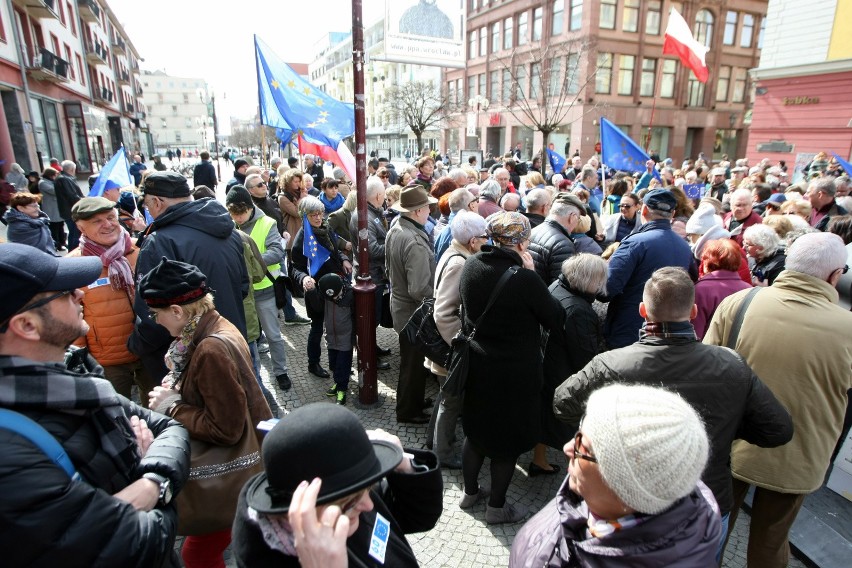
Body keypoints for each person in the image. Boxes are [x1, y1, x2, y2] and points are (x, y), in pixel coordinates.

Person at [556, 266, 793, 559]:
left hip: (626, 499)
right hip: (705, 501)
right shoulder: (731, 365)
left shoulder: (611, 364)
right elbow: (778, 430)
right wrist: (724, 428)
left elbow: (563, 402)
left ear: (643, 310)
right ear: (693, 312)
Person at [0, 244, 190, 567]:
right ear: (27, 325)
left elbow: (170, 427)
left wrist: (151, 480)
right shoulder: (10, 454)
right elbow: (142, 542)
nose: (79, 294)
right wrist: (154, 482)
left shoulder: (76, 374)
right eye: (63, 293)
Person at [704, 232, 852, 567]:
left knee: (713, 529)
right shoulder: (849, 327)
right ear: (834, 276)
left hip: (732, 444)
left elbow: (707, 370)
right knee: (770, 542)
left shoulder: (740, 302)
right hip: (800, 454)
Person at [141, 259, 271, 568]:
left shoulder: (209, 349)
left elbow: (225, 427)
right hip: (248, 470)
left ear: (177, 311)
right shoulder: (212, 326)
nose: (156, 322)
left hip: (233, 477)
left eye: (156, 313)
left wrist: (171, 406)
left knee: (196, 555)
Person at [510, 385, 720, 567]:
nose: (567, 447)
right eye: (580, 428)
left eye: (582, 445)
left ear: (624, 488)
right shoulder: (664, 491)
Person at [232, 403, 443, 567]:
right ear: (300, 509)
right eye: (350, 502)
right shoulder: (270, 560)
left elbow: (418, 516)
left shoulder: (348, 492)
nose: (369, 505)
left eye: (368, 489)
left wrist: (404, 467)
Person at [458, 211, 563, 524]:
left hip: (478, 364)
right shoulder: (525, 279)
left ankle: (469, 492)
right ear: (521, 242)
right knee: (506, 443)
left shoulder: (472, 264)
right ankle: (496, 507)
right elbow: (556, 319)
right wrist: (531, 273)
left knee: (475, 432)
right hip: (514, 373)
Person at [130, 171, 250, 381]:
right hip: (231, 340)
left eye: (146, 205)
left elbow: (153, 316)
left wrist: (136, 345)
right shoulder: (229, 230)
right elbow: (243, 287)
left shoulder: (159, 241)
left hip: (193, 358)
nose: (147, 210)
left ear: (157, 202)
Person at [66, 197, 156, 398]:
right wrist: (81, 357)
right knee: (117, 415)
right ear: (81, 227)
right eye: (97, 221)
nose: (107, 225)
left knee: (157, 410)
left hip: (149, 350)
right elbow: (70, 318)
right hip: (108, 362)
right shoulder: (74, 266)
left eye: (110, 217)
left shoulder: (140, 250)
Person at [430, 211, 489, 468]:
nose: (488, 241)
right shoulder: (460, 263)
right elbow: (443, 313)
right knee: (451, 402)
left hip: (449, 347)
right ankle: (442, 453)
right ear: (473, 241)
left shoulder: (457, 253)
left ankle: (433, 442)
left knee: (446, 398)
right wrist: (460, 344)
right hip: (451, 348)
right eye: (485, 237)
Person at [538, 253, 606, 471]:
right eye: (599, 280)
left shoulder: (556, 287)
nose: (601, 286)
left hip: (546, 365)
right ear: (589, 281)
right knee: (568, 426)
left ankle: (539, 460)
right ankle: (579, 475)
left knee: (544, 419)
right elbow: (584, 355)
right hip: (563, 374)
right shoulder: (579, 311)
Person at [603, 189, 695, 349]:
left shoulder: (635, 243)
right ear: (672, 214)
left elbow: (607, 290)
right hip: (671, 334)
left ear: (643, 209)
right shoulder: (685, 247)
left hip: (631, 333)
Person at [225, 185, 292, 391]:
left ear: (250, 207)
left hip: (264, 290)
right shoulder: (227, 225)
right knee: (247, 338)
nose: (237, 218)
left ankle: (280, 371)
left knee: (273, 335)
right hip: (242, 294)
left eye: (240, 213)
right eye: (233, 214)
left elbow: (277, 251)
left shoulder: (267, 223)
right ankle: (252, 375)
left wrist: (251, 264)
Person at [385, 186, 438, 424]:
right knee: (413, 365)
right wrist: (436, 302)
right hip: (412, 312)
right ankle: (407, 411)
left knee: (413, 362)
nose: (430, 209)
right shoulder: (413, 240)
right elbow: (418, 289)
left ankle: (413, 401)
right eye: (427, 206)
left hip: (401, 306)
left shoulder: (397, 227)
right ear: (417, 212)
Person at [290, 195, 353, 380]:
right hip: (316, 290)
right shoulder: (302, 239)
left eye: (320, 214)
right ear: (304, 217)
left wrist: (343, 259)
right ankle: (313, 363)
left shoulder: (326, 227)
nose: (318, 218)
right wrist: (304, 278)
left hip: (335, 285)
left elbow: (335, 249)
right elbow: (295, 267)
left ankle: (337, 364)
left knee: (337, 327)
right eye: (313, 215)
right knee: (317, 328)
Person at [349, 176, 392, 369]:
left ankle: (371, 348)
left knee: (373, 317)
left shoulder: (375, 212)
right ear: (377, 196)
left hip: (377, 275)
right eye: (383, 195)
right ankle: (367, 355)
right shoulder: (364, 216)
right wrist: (394, 244)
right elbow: (372, 249)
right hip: (370, 276)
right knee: (369, 319)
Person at [692, 238, 752, 339]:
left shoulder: (701, 290)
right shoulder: (749, 290)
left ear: (707, 261)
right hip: (738, 352)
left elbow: (696, 333)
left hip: (709, 351)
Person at [528, 192, 585, 285]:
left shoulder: (533, 230)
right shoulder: (563, 244)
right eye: (578, 218)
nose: (577, 223)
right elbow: (560, 286)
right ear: (572, 217)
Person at [316, 273, 355, 405]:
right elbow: (315, 308)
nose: (335, 298)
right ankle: (338, 383)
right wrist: (310, 292)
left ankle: (342, 389)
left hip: (345, 338)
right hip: (331, 337)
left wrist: (355, 337)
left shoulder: (350, 295)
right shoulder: (325, 295)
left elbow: (356, 318)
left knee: (343, 365)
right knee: (333, 364)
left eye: (337, 296)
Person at [54, 160, 84, 250]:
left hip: (69, 210)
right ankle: (73, 252)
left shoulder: (63, 178)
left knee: (75, 233)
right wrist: (85, 201)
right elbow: (72, 196)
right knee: (75, 234)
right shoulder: (64, 179)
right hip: (71, 211)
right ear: (72, 169)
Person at [37, 166, 65, 250]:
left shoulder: (52, 181)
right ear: (50, 175)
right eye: (55, 175)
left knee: (60, 226)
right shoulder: (43, 182)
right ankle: (56, 244)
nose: (56, 176)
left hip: (57, 208)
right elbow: (54, 191)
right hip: (51, 209)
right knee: (54, 228)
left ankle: (61, 243)